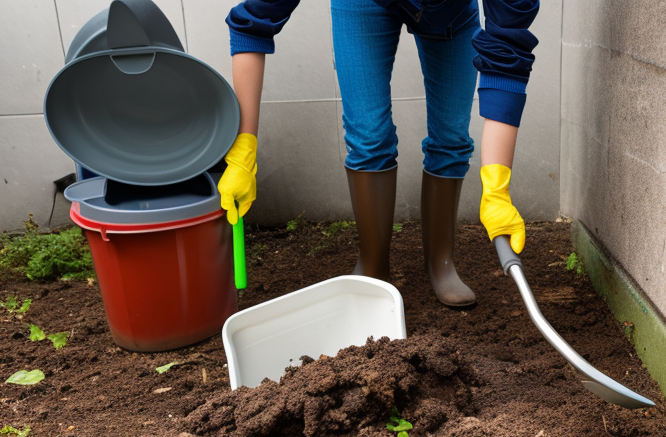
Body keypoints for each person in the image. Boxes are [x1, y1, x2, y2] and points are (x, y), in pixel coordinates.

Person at [218, 0, 538, 306]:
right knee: (369, 138)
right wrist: (245, 149)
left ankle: (441, 263)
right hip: (364, 4)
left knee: (452, 137)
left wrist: (497, 189)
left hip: (451, 11)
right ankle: (373, 267)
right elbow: (252, 25)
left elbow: (507, 55)